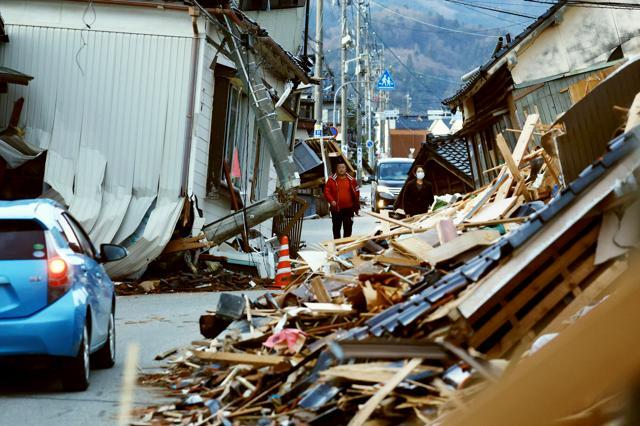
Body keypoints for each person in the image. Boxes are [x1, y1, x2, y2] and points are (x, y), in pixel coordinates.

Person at [324, 162, 360, 239]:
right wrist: (331, 200)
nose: (341, 169)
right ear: (336, 169)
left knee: (348, 227)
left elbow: (357, 193)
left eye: (343, 167)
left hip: (349, 209)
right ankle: (338, 245)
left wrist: (356, 206)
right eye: (339, 167)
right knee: (336, 228)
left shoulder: (352, 180)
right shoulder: (331, 180)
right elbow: (326, 192)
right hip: (336, 209)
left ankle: (345, 245)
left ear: (345, 169)